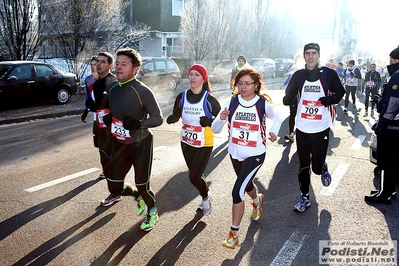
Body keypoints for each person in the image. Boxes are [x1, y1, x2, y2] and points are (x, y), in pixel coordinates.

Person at [212, 68, 281, 249]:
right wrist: (221, 118)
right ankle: (257, 201)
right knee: (247, 185)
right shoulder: (232, 102)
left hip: (255, 153)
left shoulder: (262, 104)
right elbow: (214, 129)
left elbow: (279, 117)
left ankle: (233, 234)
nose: (243, 87)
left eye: (247, 83)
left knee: (237, 191)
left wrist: (274, 131)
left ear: (256, 85)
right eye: (240, 83)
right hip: (235, 153)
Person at [103, 47, 163, 231]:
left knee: (143, 184)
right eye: (118, 64)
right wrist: (110, 117)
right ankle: (137, 196)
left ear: (135, 69)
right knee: (114, 186)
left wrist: (138, 123)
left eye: (124, 65)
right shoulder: (112, 86)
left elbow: (158, 118)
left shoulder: (142, 91)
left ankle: (152, 210)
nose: (119, 68)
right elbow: (115, 109)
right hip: (120, 144)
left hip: (141, 144)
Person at [283, 43, 345, 213]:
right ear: (304, 56)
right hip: (302, 127)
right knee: (303, 165)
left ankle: (322, 167)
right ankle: (305, 197)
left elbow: (341, 92)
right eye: (307, 53)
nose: (310, 57)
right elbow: (289, 94)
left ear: (319, 55)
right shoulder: (299, 75)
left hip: (321, 127)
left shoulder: (328, 74)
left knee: (316, 168)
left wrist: (328, 100)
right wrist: (287, 99)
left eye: (314, 53)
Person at [166, 64, 221, 215]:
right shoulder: (182, 96)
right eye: (191, 74)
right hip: (186, 141)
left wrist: (209, 121)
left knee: (194, 176)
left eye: (197, 75)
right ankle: (206, 195)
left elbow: (222, 118)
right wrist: (173, 118)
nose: (193, 78)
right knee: (195, 174)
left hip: (204, 142)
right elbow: (177, 113)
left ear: (204, 79)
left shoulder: (209, 99)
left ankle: (205, 198)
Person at [365, 46, 399, 205]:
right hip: (394, 126)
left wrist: (382, 124)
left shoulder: (397, 76)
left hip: (392, 128)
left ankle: (384, 194)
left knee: (387, 162)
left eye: (392, 60)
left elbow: (393, 103)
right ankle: (389, 190)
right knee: (392, 162)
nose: (390, 63)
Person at [85, 52, 117, 183]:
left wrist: (111, 114)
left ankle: (115, 185)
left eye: (103, 61)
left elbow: (120, 103)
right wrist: (89, 107)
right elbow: (98, 103)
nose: (98, 64)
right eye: (97, 61)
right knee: (101, 148)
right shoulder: (97, 82)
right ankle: (107, 170)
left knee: (110, 150)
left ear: (110, 65)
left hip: (111, 123)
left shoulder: (114, 81)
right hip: (99, 121)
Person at [280, 55, 304, 141]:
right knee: (292, 113)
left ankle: (303, 133)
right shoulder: (292, 68)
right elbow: (289, 78)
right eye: (297, 59)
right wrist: (284, 84)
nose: (298, 61)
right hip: (292, 93)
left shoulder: (305, 70)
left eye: (300, 59)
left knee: (302, 115)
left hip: (302, 95)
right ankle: (291, 133)